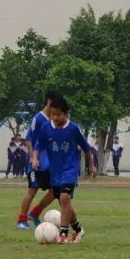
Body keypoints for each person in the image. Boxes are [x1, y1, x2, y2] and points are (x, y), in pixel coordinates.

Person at [33, 94, 96, 244]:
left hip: (70, 170)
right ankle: (79, 230)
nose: (55, 118)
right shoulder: (46, 127)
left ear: (65, 113)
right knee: (64, 203)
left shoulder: (73, 129)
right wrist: (34, 157)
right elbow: (38, 145)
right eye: (53, 114)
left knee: (64, 198)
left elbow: (86, 149)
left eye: (58, 115)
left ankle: (63, 234)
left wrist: (91, 165)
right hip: (55, 172)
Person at [16, 91, 60, 229]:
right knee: (32, 190)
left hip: (50, 164)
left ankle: (35, 213)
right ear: (49, 101)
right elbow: (29, 139)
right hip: (37, 163)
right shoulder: (38, 118)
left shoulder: (54, 120)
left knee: (55, 191)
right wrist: (32, 158)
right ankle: (21, 220)